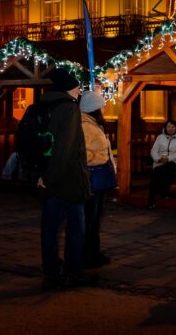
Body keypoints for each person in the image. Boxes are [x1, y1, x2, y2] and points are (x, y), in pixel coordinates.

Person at [38, 69, 97, 290]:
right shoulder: (70, 109)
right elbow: (65, 148)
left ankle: (50, 272)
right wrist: (51, 178)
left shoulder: (42, 106)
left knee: (49, 229)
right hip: (68, 180)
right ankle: (74, 271)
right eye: (77, 87)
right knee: (75, 228)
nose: (79, 91)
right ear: (69, 88)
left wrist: (40, 176)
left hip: (46, 179)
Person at [80, 90, 115, 269]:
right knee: (89, 218)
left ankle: (94, 252)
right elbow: (82, 153)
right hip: (91, 177)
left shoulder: (93, 124)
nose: (103, 110)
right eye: (101, 107)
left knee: (95, 218)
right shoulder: (85, 126)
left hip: (99, 177)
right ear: (93, 108)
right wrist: (100, 158)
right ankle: (86, 255)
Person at [147, 119, 176, 209]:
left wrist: (169, 158)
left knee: (167, 168)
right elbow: (154, 150)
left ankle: (162, 191)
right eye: (168, 126)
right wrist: (158, 159)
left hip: (175, 161)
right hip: (160, 162)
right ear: (165, 127)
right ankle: (152, 198)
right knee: (157, 172)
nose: (171, 129)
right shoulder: (160, 137)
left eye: (173, 127)